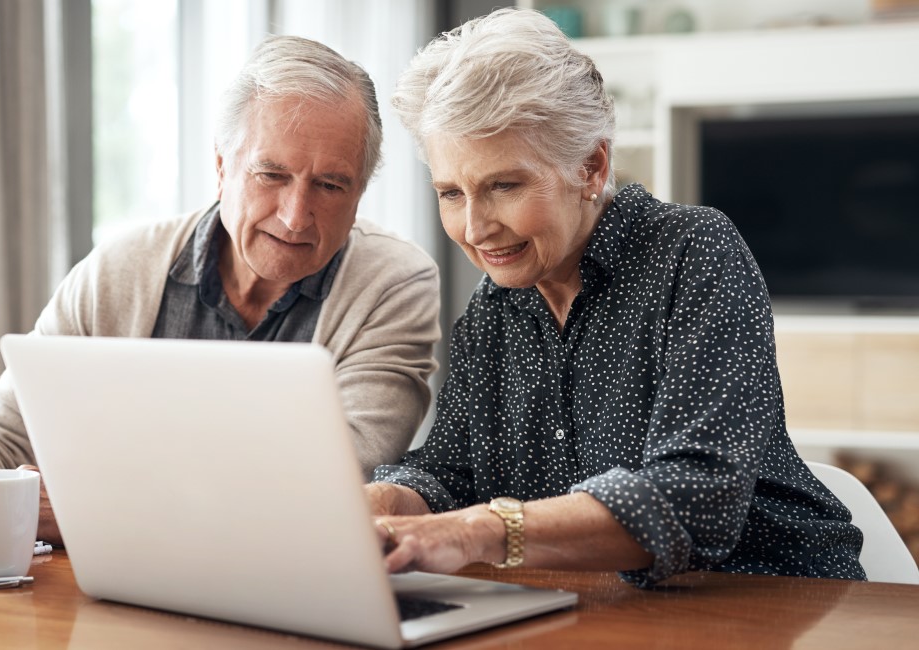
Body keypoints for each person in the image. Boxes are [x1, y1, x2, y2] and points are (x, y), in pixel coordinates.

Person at [366, 8, 865, 588]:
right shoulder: (494, 308)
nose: (475, 228)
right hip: (602, 609)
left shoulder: (694, 252)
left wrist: (482, 530)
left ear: (591, 166)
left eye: (504, 185)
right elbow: (450, 471)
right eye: (451, 193)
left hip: (774, 599)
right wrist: (388, 498)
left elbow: (696, 495)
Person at [0, 35, 440, 557]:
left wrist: (82, 510)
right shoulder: (120, 269)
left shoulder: (394, 285)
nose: (295, 215)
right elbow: (0, 426)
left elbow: (337, 487)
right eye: (270, 174)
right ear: (221, 168)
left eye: (330, 185)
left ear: (360, 193)